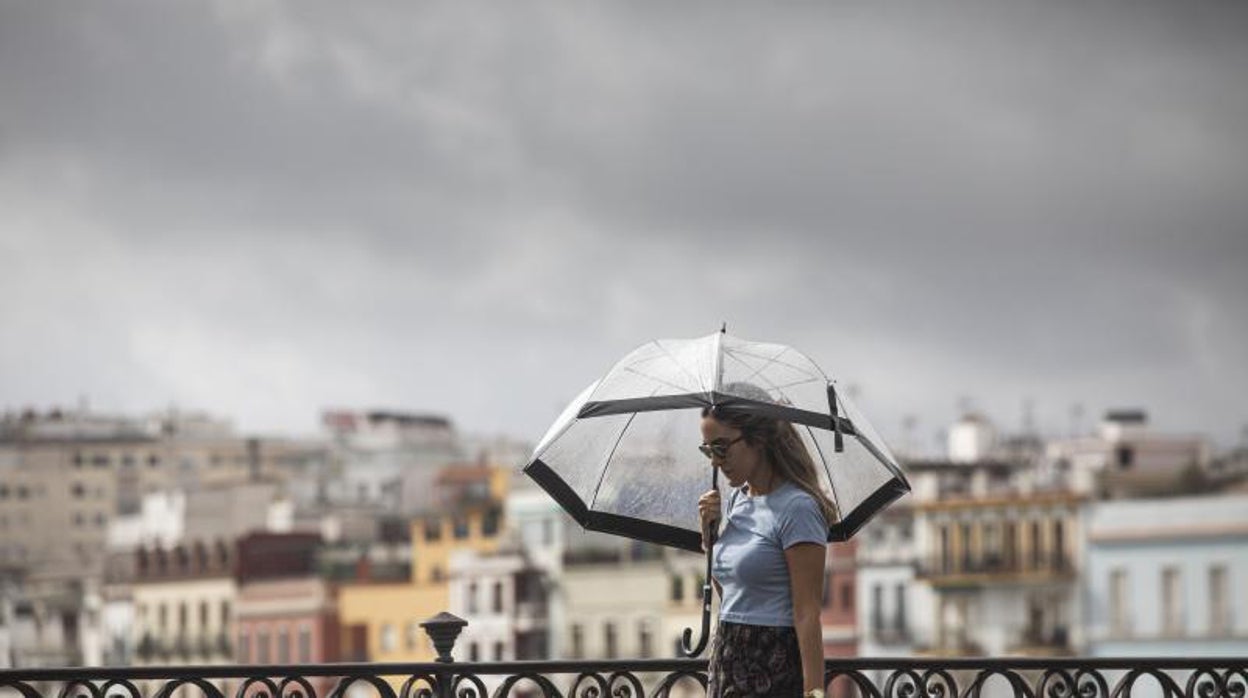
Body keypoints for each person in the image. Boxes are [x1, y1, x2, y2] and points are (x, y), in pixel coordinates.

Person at [697, 387, 838, 698]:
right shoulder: (735, 501)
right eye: (708, 450)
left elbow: (807, 612)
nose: (716, 462)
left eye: (721, 448)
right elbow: (735, 593)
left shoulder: (798, 508)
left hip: (772, 666)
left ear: (757, 440)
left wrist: (814, 692)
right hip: (727, 661)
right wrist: (710, 540)